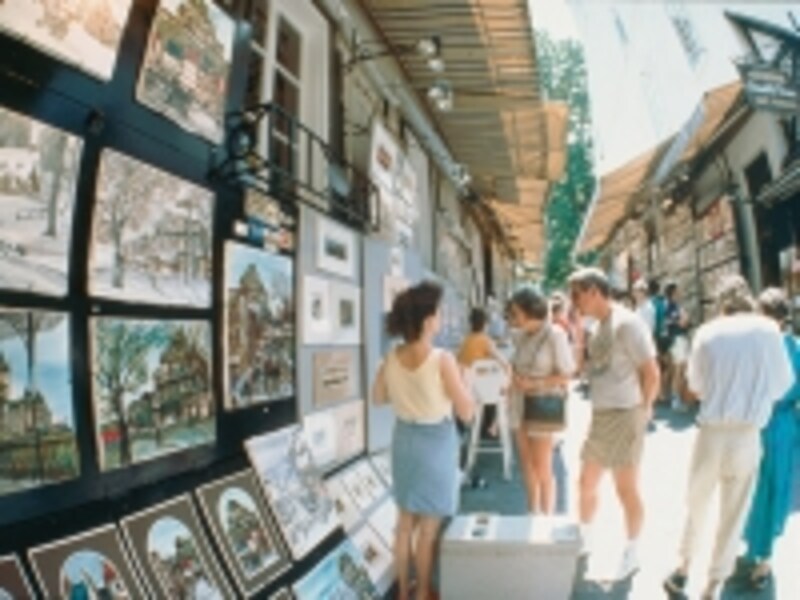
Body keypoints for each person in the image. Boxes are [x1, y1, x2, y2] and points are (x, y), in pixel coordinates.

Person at [663, 276, 794, 600]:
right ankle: (712, 585)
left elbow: (696, 388)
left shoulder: (707, 332)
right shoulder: (769, 331)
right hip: (748, 434)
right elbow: (781, 385)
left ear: (721, 303)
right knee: (733, 513)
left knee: (697, 503)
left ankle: (683, 569)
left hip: (712, 432)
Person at [371, 281, 474, 600]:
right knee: (428, 530)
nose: (441, 317)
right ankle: (423, 592)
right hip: (436, 442)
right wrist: (465, 383)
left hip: (404, 439)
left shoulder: (391, 357)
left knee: (404, 524)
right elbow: (467, 412)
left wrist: (407, 395)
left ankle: (403, 592)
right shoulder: (442, 359)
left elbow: (378, 397)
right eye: (438, 312)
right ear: (428, 320)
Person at [567, 267, 660, 580]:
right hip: (602, 413)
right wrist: (578, 337)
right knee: (586, 482)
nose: (574, 302)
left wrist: (644, 410)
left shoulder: (628, 323)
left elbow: (651, 372)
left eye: (577, 295)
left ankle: (632, 551)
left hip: (625, 413)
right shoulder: (596, 326)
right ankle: (586, 538)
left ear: (594, 291)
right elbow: (582, 371)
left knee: (625, 488)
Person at [739, 288, 800, 590]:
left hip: (761, 423)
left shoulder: (759, 348)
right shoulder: (794, 346)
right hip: (784, 424)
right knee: (773, 488)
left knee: (757, 487)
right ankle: (761, 552)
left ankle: (760, 553)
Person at [507, 288, 575, 514]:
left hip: (541, 404)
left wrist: (535, 383)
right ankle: (532, 513)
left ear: (530, 312)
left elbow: (567, 374)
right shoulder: (520, 336)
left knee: (542, 468)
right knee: (526, 466)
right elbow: (515, 366)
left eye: (516, 313)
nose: (513, 318)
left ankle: (546, 519)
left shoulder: (555, 335)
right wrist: (513, 379)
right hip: (518, 403)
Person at [457, 307, 510, 439]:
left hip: (469, 389)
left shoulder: (465, 342)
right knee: (505, 390)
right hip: (484, 390)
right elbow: (504, 363)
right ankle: (493, 427)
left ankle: (483, 425)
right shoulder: (486, 341)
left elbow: (460, 364)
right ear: (486, 324)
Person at [664, 283, 690, 410]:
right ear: (673, 293)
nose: (680, 293)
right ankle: (675, 399)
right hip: (677, 339)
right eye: (678, 291)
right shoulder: (672, 307)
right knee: (678, 369)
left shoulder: (675, 306)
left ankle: (675, 396)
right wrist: (684, 318)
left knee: (679, 369)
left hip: (678, 339)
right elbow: (682, 323)